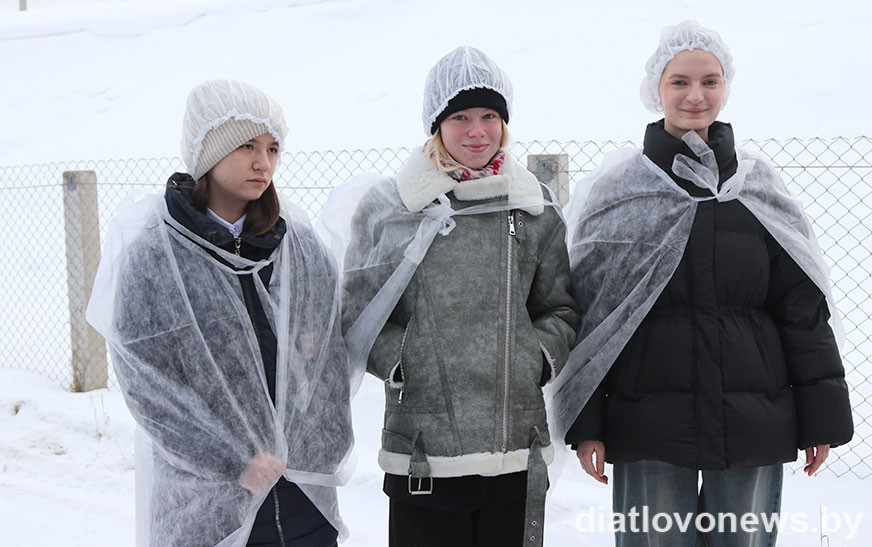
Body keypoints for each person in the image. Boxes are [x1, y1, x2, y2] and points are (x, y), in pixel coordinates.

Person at [556, 20, 854, 547]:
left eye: (709, 81)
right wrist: (587, 421)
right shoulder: (619, 192)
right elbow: (592, 319)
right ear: (656, 89)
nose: (695, 95)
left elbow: (801, 310)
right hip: (648, 426)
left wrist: (820, 417)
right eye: (680, 81)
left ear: (725, 87)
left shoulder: (757, 188)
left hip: (751, 422)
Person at [328, 46, 578, 547]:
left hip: (516, 449)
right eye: (460, 117)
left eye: (489, 116)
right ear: (436, 124)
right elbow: (357, 312)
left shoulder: (533, 206)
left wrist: (533, 357)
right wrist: (407, 359)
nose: (476, 131)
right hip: (423, 452)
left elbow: (560, 308)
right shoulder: (392, 206)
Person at [87, 79, 353, 547]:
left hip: (304, 504)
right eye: (247, 146)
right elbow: (149, 387)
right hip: (209, 511)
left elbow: (329, 362)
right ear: (207, 152)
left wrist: (322, 452)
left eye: (272, 148)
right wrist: (234, 462)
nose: (263, 162)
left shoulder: (300, 247)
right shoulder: (157, 255)